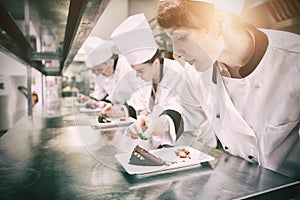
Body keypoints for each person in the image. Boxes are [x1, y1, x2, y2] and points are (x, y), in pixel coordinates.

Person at [156, 0, 300, 179]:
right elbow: (190, 115)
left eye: (181, 37)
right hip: (233, 183)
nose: (175, 52)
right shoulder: (195, 70)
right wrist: (166, 121)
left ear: (219, 20)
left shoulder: (294, 60)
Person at [110, 13, 217, 149]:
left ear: (155, 63)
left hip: (197, 143)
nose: (138, 76)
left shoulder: (178, 72)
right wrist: (144, 121)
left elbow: (182, 110)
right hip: (168, 145)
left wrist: (163, 121)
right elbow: (142, 107)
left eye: (140, 71)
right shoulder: (145, 79)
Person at [81, 38, 144, 111]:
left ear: (110, 63)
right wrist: (95, 102)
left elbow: (139, 93)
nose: (99, 74)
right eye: (95, 71)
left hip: (137, 108)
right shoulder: (99, 74)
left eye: (100, 70)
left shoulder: (126, 64)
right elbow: (99, 95)